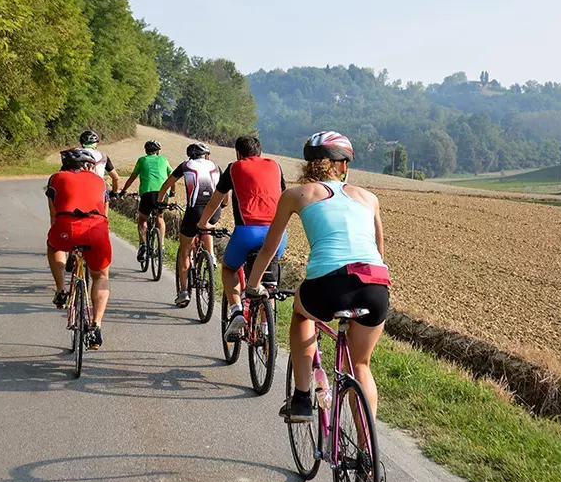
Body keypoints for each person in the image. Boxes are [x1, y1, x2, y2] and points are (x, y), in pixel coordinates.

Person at [245, 131, 391, 422]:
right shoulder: (369, 198)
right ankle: (366, 459)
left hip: (328, 284)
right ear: (343, 166)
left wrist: (252, 286)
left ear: (308, 164)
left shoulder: (295, 195)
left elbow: (269, 250)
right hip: (374, 285)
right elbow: (379, 251)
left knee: (302, 315)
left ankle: (301, 398)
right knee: (361, 365)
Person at [197, 135, 286, 340]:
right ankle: (265, 327)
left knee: (229, 268)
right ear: (260, 152)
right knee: (267, 282)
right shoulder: (276, 166)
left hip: (247, 232)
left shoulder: (234, 167)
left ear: (238, 153)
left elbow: (214, 202)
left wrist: (203, 223)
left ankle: (237, 310)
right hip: (277, 234)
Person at [46, 149, 113, 349]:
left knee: (53, 246)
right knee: (101, 276)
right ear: (88, 166)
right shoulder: (100, 182)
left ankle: (60, 290)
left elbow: (53, 213)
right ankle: (96, 326)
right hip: (96, 229)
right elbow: (105, 214)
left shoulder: (56, 178)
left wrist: (60, 234)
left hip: (65, 227)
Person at [158, 142, 224, 307]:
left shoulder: (185, 165)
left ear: (190, 156)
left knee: (185, 252)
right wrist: (222, 206)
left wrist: (160, 202)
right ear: (206, 155)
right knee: (206, 225)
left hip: (194, 211)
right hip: (214, 211)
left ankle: (184, 292)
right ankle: (211, 256)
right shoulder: (216, 166)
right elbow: (226, 196)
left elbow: (166, 184)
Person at [119, 140, 174, 262]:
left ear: (146, 151)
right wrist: (173, 191)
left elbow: (132, 177)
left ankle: (143, 244)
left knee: (142, 219)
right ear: (158, 151)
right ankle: (162, 246)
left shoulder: (142, 160)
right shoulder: (164, 160)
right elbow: (172, 175)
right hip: (162, 193)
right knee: (160, 217)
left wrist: (124, 190)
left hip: (147, 194)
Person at [78, 130, 120, 198]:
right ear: (96, 143)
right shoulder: (103, 157)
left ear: (81, 142)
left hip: (78, 190)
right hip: (97, 192)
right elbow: (116, 178)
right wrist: (114, 192)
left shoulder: (73, 155)